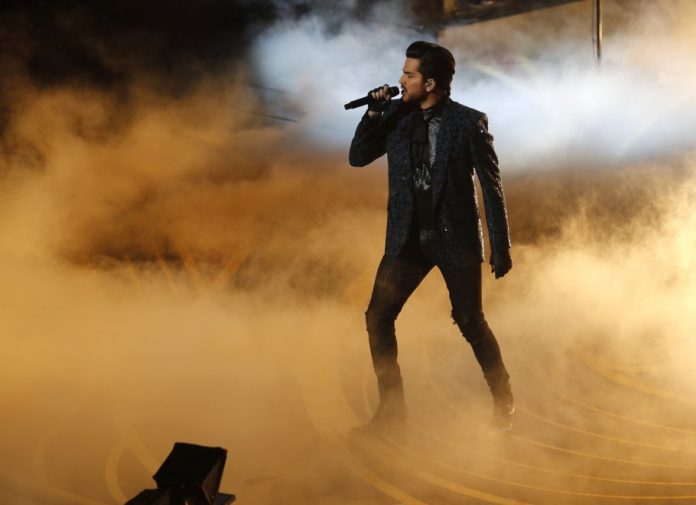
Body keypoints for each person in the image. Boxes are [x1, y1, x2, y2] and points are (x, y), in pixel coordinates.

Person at [349, 40, 514, 433]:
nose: (400, 80)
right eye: (403, 73)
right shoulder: (395, 116)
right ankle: (392, 410)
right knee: (378, 317)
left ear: (431, 83)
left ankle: (503, 398)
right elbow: (358, 157)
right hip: (407, 239)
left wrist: (500, 246)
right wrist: (373, 113)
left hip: (454, 238)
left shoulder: (467, 122)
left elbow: (491, 187)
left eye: (409, 75)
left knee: (469, 320)